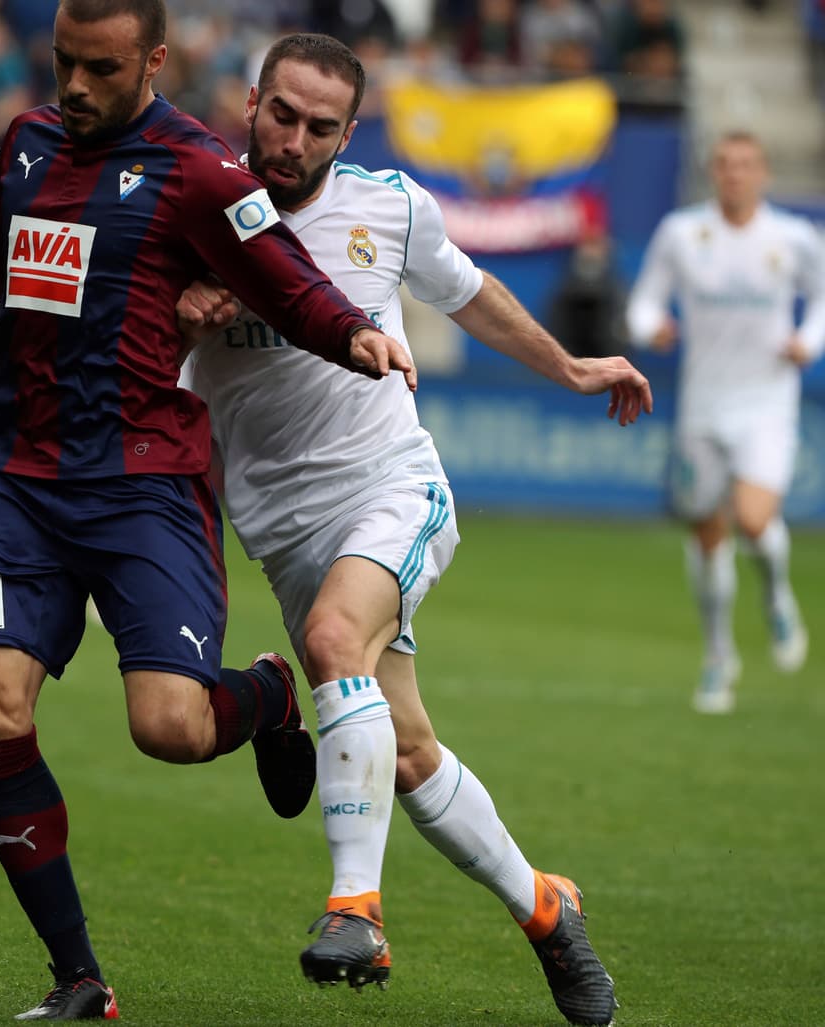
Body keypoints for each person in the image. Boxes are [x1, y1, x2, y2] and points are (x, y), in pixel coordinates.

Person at [0, 1, 418, 1019]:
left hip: (144, 487)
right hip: (24, 484)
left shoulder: (203, 169)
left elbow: (287, 280)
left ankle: (262, 698)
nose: (73, 87)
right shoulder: (30, 143)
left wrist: (356, 336)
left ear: (154, 62)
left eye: (100, 69)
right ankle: (77, 977)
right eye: (63, 63)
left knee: (166, 727)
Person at [177, 33, 651, 1027]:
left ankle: (354, 908)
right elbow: (139, 351)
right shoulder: (190, 210)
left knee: (329, 644)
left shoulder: (389, 205)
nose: (293, 140)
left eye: (319, 127)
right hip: (282, 526)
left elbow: (467, 293)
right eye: (280, 115)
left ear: (346, 134)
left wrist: (568, 367)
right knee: (400, 750)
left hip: (390, 483)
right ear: (250, 101)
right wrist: (184, 317)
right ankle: (542, 907)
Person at [627, 130, 823, 714]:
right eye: (725, 165)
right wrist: (651, 327)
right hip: (702, 405)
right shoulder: (684, 233)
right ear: (715, 173)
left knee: (756, 520)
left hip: (766, 402)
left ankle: (777, 595)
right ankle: (719, 658)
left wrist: (806, 342)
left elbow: (821, 301)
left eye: (746, 165)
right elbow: (643, 302)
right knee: (707, 533)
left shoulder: (792, 237)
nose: (735, 174)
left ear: (762, 173)